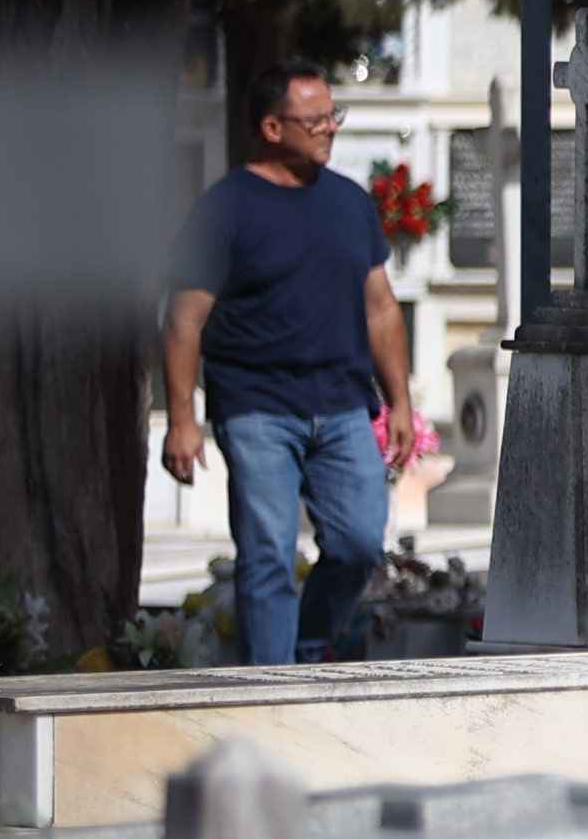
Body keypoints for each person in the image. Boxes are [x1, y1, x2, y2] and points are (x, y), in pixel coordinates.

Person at [162, 62, 414, 663]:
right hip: (256, 410)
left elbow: (380, 309)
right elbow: (183, 320)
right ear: (272, 127)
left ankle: (305, 643)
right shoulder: (226, 209)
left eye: (334, 116)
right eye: (316, 119)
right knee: (268, 553)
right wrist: (181, 419)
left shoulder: (350, 203)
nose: (330, 128)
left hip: (345, 406)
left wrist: (400, 401)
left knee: (358, 543)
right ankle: (272, 686)